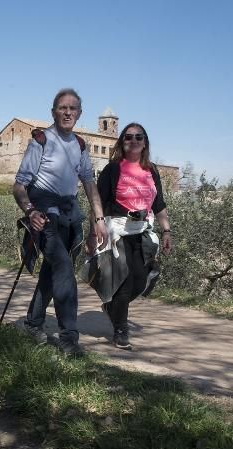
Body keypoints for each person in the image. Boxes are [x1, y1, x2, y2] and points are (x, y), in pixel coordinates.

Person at [12, 88, 108, 354]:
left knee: (51, 271)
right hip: (44, 216)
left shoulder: (79, 145)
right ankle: (69, 338)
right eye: (62, 108)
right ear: (53, 111)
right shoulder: (41, 141)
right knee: (64, 269)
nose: (68, 112)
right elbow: (19, 186)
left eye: (73, 108)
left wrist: (98, 219)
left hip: (69, 214)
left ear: (79, 113)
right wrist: (30, 211)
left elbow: (89, 183)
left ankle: (32, 322)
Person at [92, 123, 172, 350]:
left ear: (145, 142)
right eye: (128, 137)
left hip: (142, 231)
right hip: (116, 230)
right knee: (125, 282)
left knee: (139, 281)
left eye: (139, 137)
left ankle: (111, 308)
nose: (133, 140)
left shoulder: (152, 170)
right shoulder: (113, 169)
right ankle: (120, 329)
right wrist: (94, 232)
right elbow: (98, 203)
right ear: (122, 141)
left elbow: (159, 204)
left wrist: (166, 230)